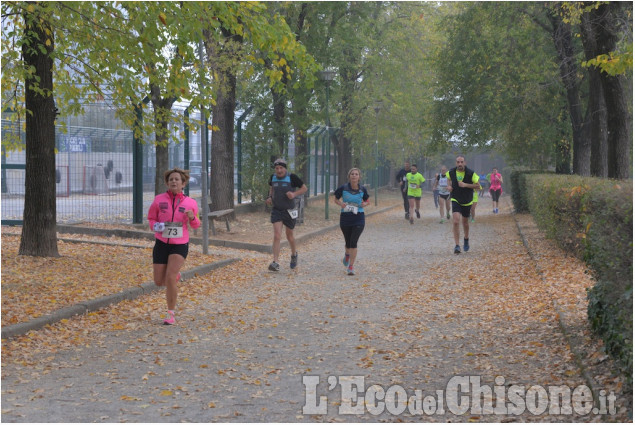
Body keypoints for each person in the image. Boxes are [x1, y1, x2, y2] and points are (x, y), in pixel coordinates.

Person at [148, 167, 201, 325]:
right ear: (167, 183)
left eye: (177, 179)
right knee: (159, 281)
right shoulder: (159, 200)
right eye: (171, 179)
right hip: (162, 243)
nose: (173, 181)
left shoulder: (190, 203)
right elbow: (151, 220)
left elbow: (196, 225)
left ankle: (170, 314)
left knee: (170, 277)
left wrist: (192, 217)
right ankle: (175, 276)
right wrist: (158, 226)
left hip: (180, 244)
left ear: (183, 183)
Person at [265, 158, 308, 272]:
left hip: (289, 210)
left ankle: (294, 254)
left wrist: (294, 194)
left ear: (285, 168)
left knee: (289, 236)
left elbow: (304, 188)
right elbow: (271, 188)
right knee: (277, 235)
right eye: (277, 168)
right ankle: (275, 262)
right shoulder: (272, 177)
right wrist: (269, 197)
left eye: (281, 168)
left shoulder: (292, 177)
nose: (279, 171)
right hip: (277, 210)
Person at [333, 168, 371, 275]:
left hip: (358, 217)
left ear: (359, 177)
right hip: (345, 217)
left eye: (356, 174)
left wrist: (365, 204)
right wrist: (341, 204)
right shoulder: (343, 188)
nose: (354, 176)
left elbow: (367, 200)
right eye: (352, 174)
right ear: (349, 176)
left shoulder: (362, 189)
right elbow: (336, 199)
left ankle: (351, 266)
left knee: (354, 242)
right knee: (348, 242)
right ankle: (347, 255)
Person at [447, 156, 480, 254]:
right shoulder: (451, 172)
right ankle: (457, 246)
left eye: (461, 162)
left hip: (467, 200)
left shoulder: (471, 173)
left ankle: (466, 239)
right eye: (458, 162)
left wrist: (465, 185)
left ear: (464, 162)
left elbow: (478, 186)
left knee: (465, 222)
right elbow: (448, 179)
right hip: (455, 198)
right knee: (456, 221)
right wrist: (449, 185)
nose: (460, 164)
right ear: (456, 163)